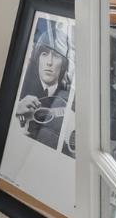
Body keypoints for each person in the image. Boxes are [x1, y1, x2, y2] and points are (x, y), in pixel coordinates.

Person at [14, 20, 72, 149]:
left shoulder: (66, 97)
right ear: (37, 58)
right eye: (44, 54)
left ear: (63, 64)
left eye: (56, 56)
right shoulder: (20, 87)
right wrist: (17, 112)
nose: (49, 62)